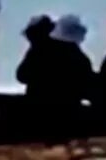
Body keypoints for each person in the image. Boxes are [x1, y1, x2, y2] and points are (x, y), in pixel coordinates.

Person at [17, 13, 94, 141]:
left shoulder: (39, 51)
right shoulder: (80, 58)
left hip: (37, 119)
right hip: (69, 121)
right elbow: (88, 89)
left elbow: (21, 75)